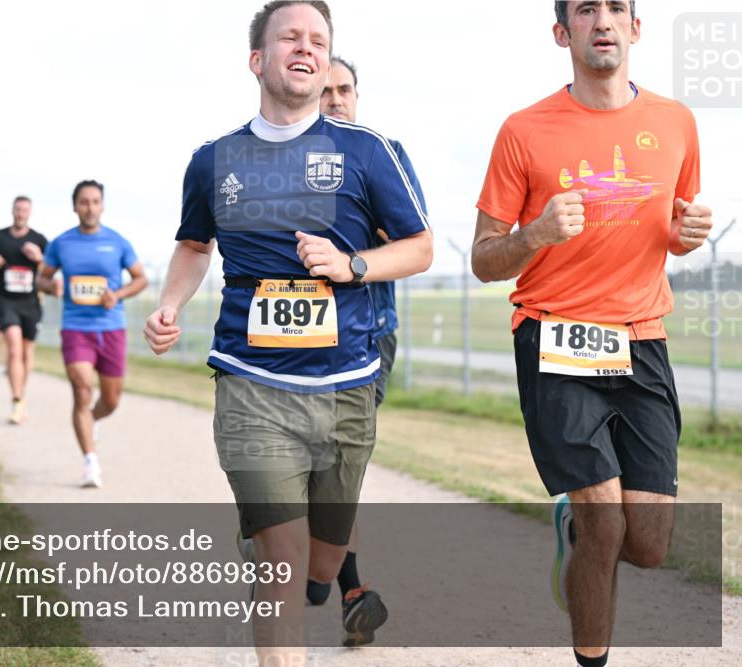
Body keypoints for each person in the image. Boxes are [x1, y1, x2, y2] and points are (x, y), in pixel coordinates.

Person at [143, 1, 432, 659]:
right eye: (290, 38)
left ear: (327, 64)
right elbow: (194, 245)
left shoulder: (368, 151)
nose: (306, 48)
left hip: (346, 386)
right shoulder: (214, 160)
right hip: (252, 384)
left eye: (318, 41)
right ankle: (269, 534)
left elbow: (420, 247)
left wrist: (352, 264)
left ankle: (278, 540)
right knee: (283, 559)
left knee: (321, 567)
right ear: (257, 59)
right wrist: (169, 304)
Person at [471, 3, 710, 666]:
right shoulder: (523, 130)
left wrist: (686, 237)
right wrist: (536, 234)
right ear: (562, 32)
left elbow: (675, 229)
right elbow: (484, 258)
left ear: (635, 28)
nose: (602, 19)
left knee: (649, 545)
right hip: (554, 337)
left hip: (642, 340)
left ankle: (573, 529)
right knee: (605, 522)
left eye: (615, 7)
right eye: (585, 9)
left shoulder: (677, 122)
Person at [298, 54, 429, 646]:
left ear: (357, 95)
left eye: (344, 90)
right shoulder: (281, 158)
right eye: (324, 91)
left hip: (370, 334)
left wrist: (353, 250)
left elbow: (411, 240)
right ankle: (339, 581)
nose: (335, 100)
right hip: (292, 341)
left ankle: (338, 582)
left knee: (339, 464)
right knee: (299, 460)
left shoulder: (384, 154)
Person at [38, 180, 148, 488]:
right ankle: (90, 463)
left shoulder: (117, 242)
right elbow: (41, 279)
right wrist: (52, 285)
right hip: (76, 328)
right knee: (82, 389)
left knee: (110, 401)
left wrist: (119, 294)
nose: (90, 207)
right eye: (84, 202)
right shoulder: (60, 243)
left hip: (111, 328)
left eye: (95, 201)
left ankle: (93, 419)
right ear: (75, 206)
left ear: (102, 205)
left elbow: (140, 278)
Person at [0, 196, 49, 424]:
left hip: (30, 302)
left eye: (25, 210)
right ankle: (16, 399)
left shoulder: (38, 239)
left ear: (30, 213)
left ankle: (21, 393)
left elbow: (51, 267)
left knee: (27, 353)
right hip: (5, 300)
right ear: (12, 211)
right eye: (18, 209)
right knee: (13, 346)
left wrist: (39, 258)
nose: (21, 213)